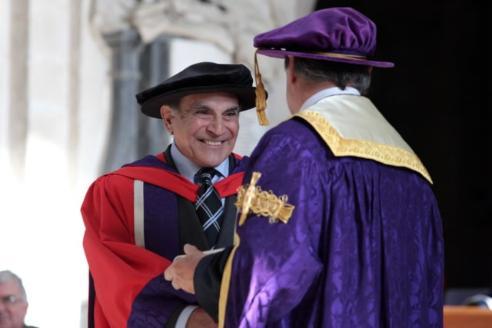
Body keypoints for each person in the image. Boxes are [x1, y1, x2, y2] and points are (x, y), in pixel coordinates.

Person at [164, 7, 444, 327]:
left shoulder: (296, 148)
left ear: (292, 69)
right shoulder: (412, 169)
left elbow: (271, 274)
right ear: (366, 75)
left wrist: (201, 275)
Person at [81, 62, 259, 327]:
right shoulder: (118, 191)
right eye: (204, 113)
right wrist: (191, 320)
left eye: (230, 115)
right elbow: (116, 281)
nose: (219, 129)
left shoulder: (266, 186)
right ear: (168, 119)